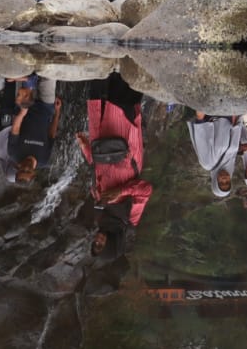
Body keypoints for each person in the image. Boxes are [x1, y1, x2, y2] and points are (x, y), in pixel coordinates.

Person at [78, 75, 152, 256]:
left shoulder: (99, 216)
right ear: (112, 244)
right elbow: (145, 190)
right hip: (124, 139)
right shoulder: (130, 218)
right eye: (101, 245)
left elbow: (97, 173)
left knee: (98, 78)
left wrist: (85, 148)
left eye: (95, 244)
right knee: (125, 81)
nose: (98, 240)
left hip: (99, 134)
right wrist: (121, 192)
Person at [8, 86, 61, 184]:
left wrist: (23, 111)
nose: (26, 168)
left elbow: (15, 128)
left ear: (17, 169)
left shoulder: (13, 153)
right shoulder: (44, 159)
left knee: (24, 75)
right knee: (49, 77)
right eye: (28, 171)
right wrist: (57, 113)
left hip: (25, 105)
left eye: (22, 170)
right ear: (34, 174)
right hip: (46, 109)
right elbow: (51, 135)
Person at [188, 113, 242, 197]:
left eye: (221, 182)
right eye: (227, 182)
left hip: (213, 114)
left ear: (215, 181)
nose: (224, 179)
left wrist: (200, 115)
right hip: (230, 114)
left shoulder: (207, 163)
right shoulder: (230, 161)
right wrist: (234, 114)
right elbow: (235, 130)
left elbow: (201, 136)